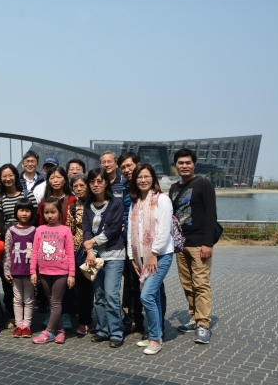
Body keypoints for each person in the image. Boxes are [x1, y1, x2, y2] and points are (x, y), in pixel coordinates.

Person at [169, 148, 217, 344]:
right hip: (181, 244)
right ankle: (194, 317)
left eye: (188, 162)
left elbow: (211, 215)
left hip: (199, 244)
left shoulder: (203, 184)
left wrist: (208, 243)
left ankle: (203, 323)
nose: (184, 166)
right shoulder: (174, 188)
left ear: (194, 164)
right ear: (176, 165)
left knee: (201, 283)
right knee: (187, 283)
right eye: (180, 163)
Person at [127, 163, 174, 355]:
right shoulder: (135, 203)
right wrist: (132, 256)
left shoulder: (162, 200)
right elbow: (131, 232)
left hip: (160, 255)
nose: (143, 180)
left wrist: (154, 253)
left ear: (153, 178)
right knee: (152, 296)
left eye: (147, 176)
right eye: (139, 177)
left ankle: (155, 339)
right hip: (141, 257)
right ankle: (156, 333)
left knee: (146, 295)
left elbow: (164, 230)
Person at [83, 167, 125, 348]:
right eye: (92, 181)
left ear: (106, 183)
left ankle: (116, 332)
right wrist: (89, 251)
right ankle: (102, 329)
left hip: (114, 255)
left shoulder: (116, 203)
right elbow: (86, 229)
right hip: (95, 256)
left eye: (99, 181)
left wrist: (92, 242)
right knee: (99, 295)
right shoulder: (87, 205)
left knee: (111, 294)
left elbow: (114, 229)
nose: (96, 184)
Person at [0, 164, 38, 327]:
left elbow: (34, 217)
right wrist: (12, 235)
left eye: (10, 175)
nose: (7, 178)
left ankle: (27, 318)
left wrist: (24, 233)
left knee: (28, 277)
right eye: (4, 176)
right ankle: (13, 316)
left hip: (27, 240)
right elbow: (0, 222)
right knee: (9, 279)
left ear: (16, 176)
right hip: (10, 240)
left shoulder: (28, 194)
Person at [36, 165, 77, 330]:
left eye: (59, 177)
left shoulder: (72, 200)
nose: (55, 180)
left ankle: (65, 314)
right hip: (48, 246)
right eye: (52, 177)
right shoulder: (44, 201)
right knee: (49, 286)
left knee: (66, 285)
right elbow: (40, 223)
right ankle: (53, 314)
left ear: (65, 179)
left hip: (66, 244)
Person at [30, 197, 75, 344]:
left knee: (55, 302)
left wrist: (71, 274)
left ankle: (49, 332)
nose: (50, 215)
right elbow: (35, 252)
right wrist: (33, 271)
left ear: (59, 213)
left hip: (61, 272)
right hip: (44, 272)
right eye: (47, 212)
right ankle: (60, 330)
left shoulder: (65, 230)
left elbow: (70, 253)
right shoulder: (39, 230)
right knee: (51, 302)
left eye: (53, 212)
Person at [3, 199, 36, 338]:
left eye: (27, 210)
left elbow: (37, 251)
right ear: (16, 212)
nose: (24, 213)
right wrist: (6, 269)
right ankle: (19, 325)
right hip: (15, 271)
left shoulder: (34, 230)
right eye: (21, 210)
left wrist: (36, 271)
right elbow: (6, 251)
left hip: (29, 272)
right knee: (17, 299)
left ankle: (27, 325)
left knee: (28, 299)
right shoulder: (11, 230)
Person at [66, 173, 94, 336]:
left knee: (99, 289)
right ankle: (85, 321)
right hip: (78, 253)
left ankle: (103, 321)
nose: (78, 189)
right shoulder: (72, 206)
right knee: (83, 290)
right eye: (75, 186)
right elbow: (69, 230)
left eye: (82, 185)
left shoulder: (95, 203)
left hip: (96, 251)